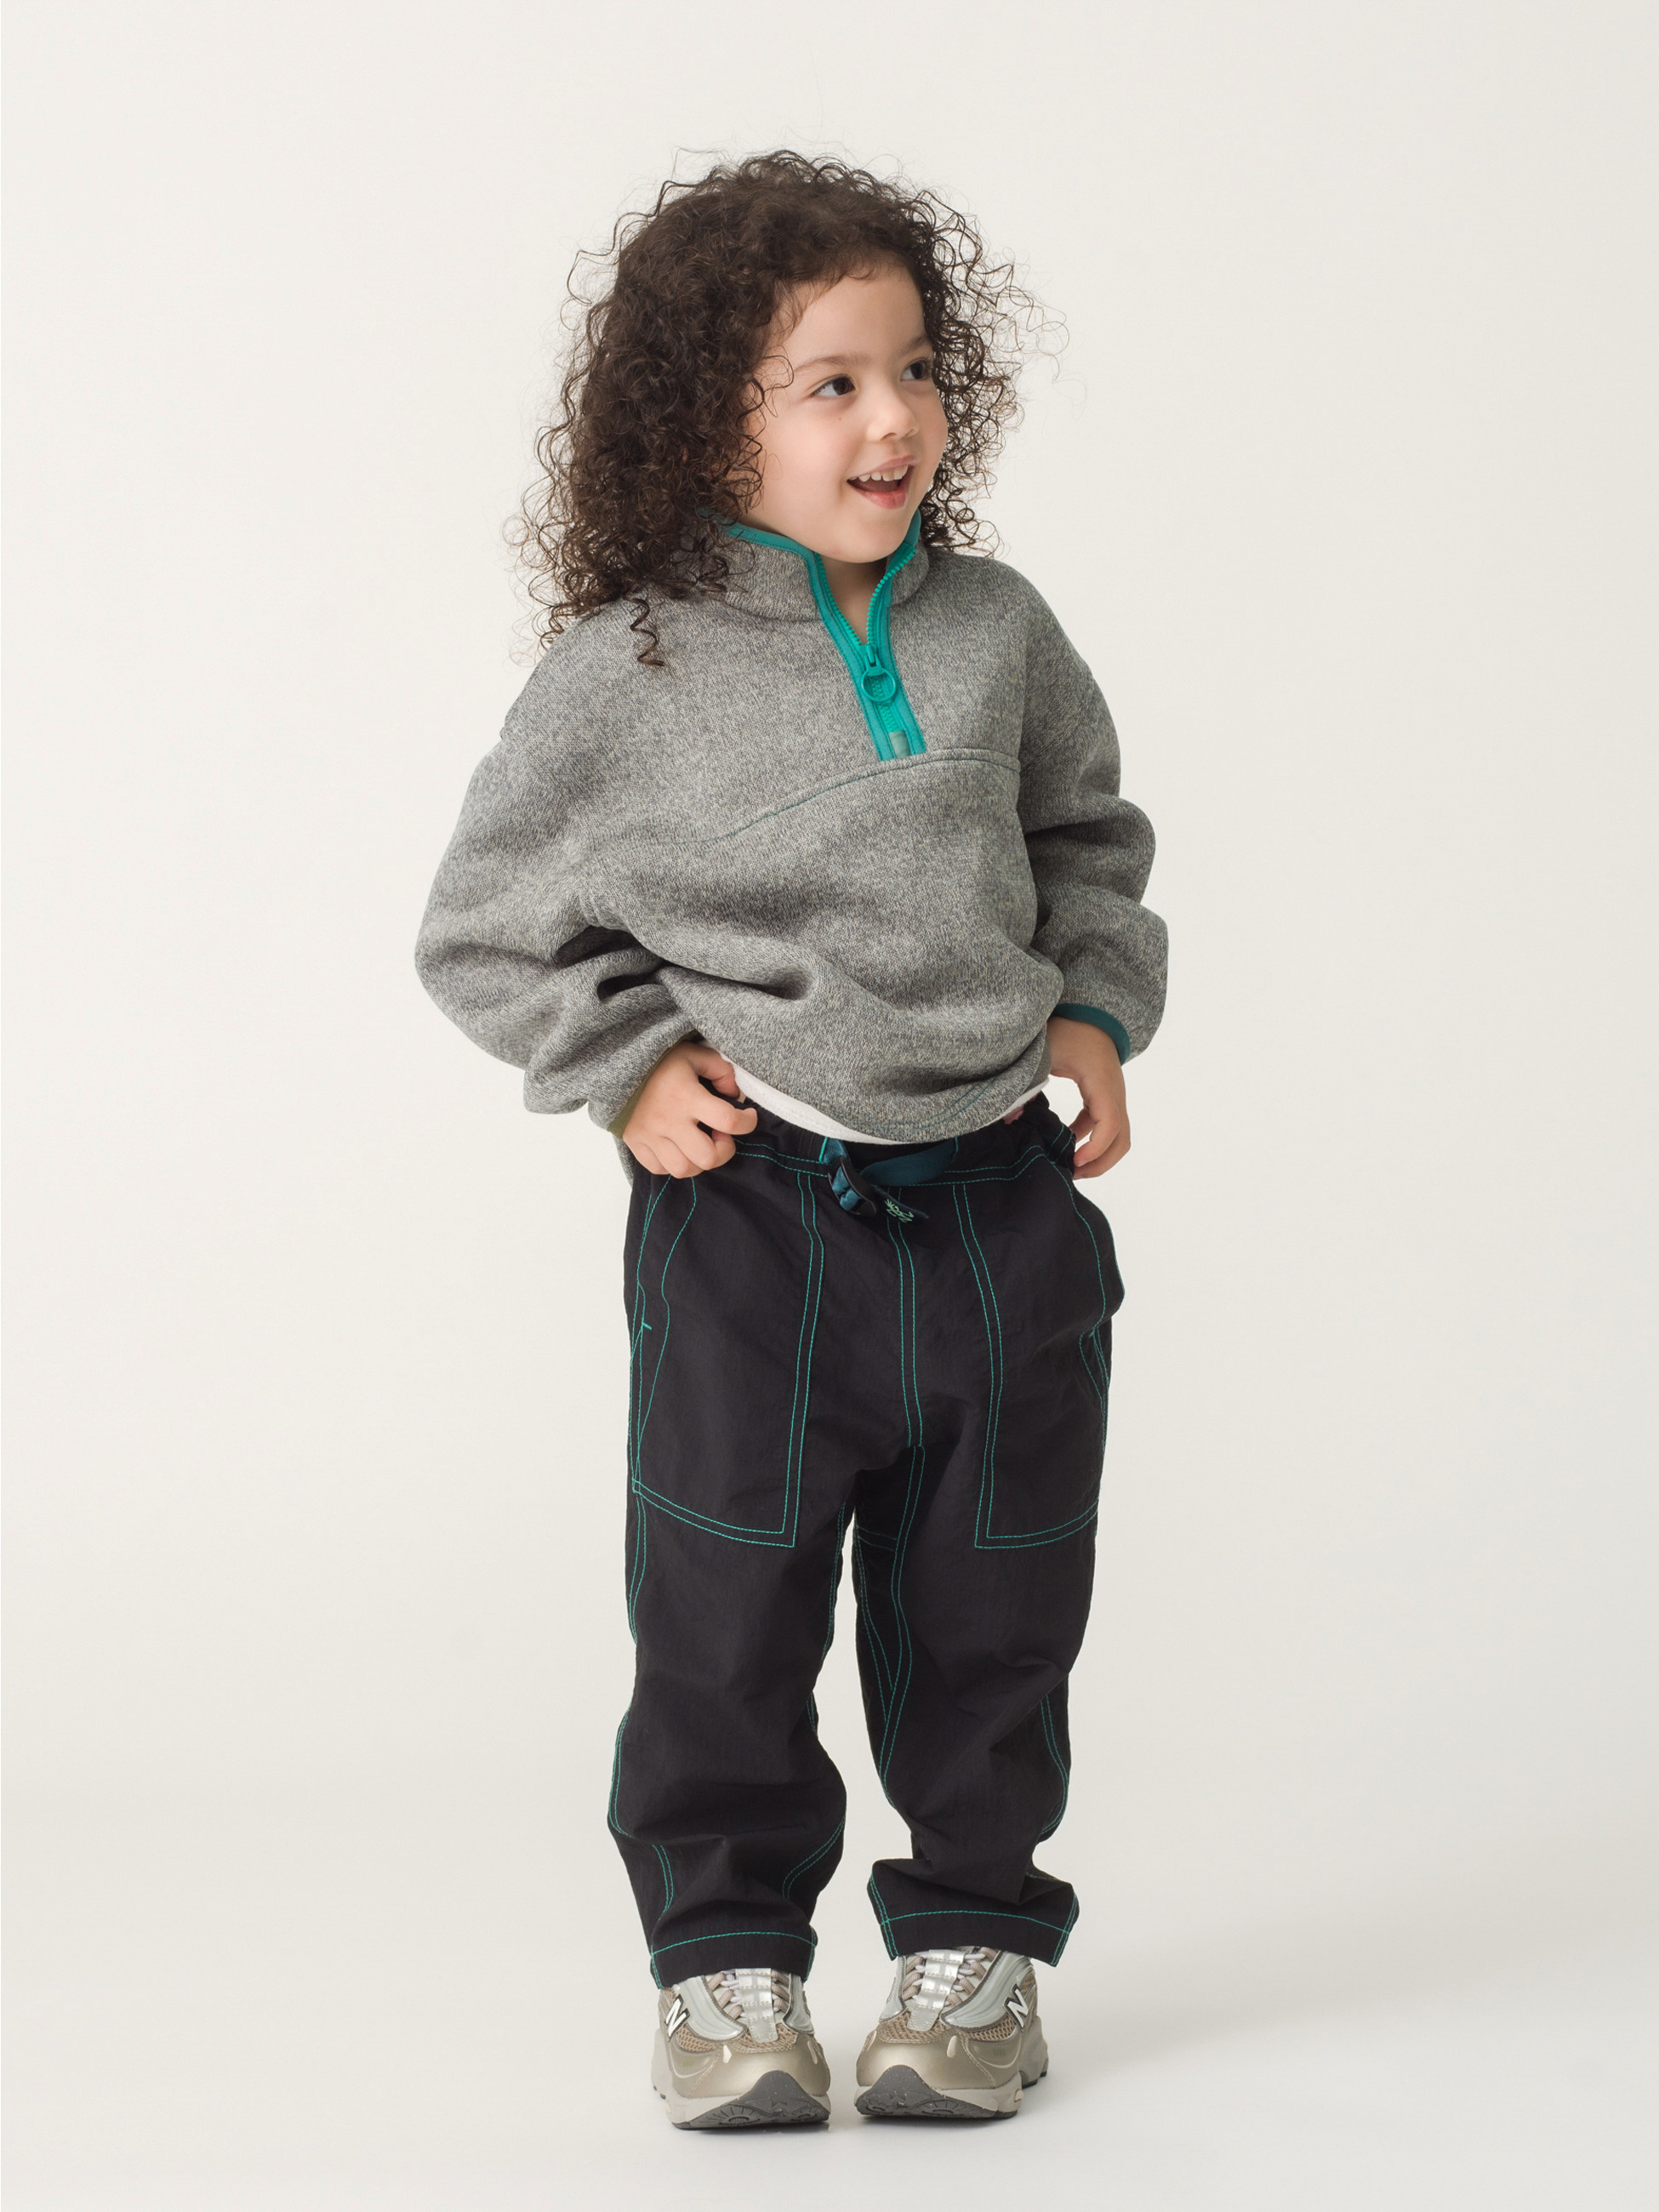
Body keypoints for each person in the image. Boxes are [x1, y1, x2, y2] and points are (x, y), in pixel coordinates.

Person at [413, 149, 1167, 2128]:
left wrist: (1093, 1010)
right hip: (761, 1226)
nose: (891, 418)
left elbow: (1088, 841)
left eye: (913, 370)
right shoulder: (629, 674)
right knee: (726, 1613)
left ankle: (972, 1953)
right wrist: (622, 1061)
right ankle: (727, 1968)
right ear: (706, 419)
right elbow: (483, 926)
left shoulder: (997, 629)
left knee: (997, 1605)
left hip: (1001, 1211)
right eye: (830, 383)